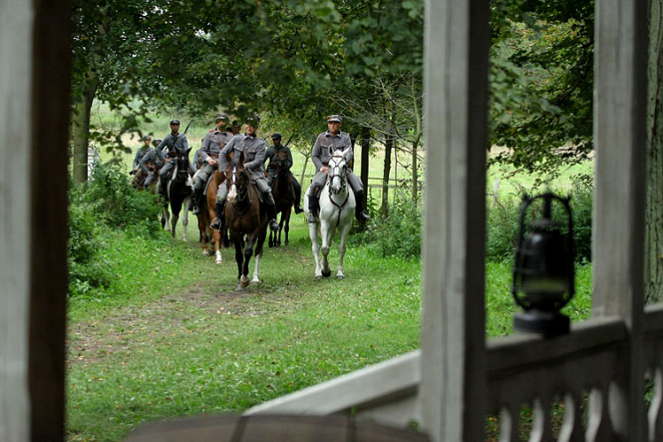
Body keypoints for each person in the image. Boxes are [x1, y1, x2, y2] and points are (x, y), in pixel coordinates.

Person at [210, 115, 279, 232]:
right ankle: (219, 219)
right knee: (221, 194)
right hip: (236, 173)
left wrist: (245, 166)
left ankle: (272, 219)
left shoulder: (261, 143)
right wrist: (223, 170)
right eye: (248, 124)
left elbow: (258, 161)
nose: (249, 127)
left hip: (253, 173)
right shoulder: (236, 139)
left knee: (266, 191)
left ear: (256, 127)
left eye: (252, 125)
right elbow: (223, 153)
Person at [306, 114, 370, 223]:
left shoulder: (345, 137)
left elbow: (350, 153)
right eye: (330, 123)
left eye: (335, 123)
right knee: (314, 187)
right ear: (328, 124)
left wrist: (341, 163)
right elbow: (314, 155)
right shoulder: (321, 137)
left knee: (359, 186)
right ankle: (312, 213)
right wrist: (321, 167)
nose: (332, 126)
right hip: (326, 169)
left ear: (339, 124)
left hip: (341, 169)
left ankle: (360, 212)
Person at [192, 113, 233, 215]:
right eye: (219, 121)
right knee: (198, 181)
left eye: (223, 121)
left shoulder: (231, 136)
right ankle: (198, 205)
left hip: (226, 164)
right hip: (211, 163)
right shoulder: (209, 135)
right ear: (216, 123)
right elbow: (202, 150)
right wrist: (208, 159)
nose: (221, 123)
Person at [264, 133, 303, 214]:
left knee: (297, 186)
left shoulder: (286, 150)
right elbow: (262, 162)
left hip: (285, 172)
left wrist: (285, 166)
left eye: (277, 139)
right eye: (274, 140)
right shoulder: (269, 150)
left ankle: (297, 206)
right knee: (266, 186)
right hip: (272, 172)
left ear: (280, 139)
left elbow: (290, 162)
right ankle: (265, 206)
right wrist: (264, 171)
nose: (275, 141)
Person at [156, 119, 192, 198]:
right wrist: (164, 159)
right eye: (173, 125)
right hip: (171, 160)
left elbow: (186, 149)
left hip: (182, 160)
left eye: (177, 125)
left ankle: (192, 195)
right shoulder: (167, 138)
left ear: (179, 126)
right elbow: (158, 149)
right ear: (171, 126)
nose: (175, 127)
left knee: (194, 171)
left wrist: (181, 154)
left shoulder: (183, 137)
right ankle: (163, 192)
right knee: (162, 174)